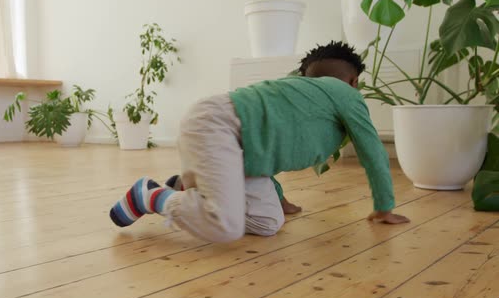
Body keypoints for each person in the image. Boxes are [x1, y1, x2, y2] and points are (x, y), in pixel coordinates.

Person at [109, 41, 410, 243]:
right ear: (354, 81)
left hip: (236, 147)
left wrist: (278, 198)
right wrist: (383, 206)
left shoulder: (299, 98)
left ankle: (184, 187)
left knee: (268, 223)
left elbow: (270, 148)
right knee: (225, 226)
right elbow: (372, 150)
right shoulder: (346, 95)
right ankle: (149, 196)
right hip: (216, 125)